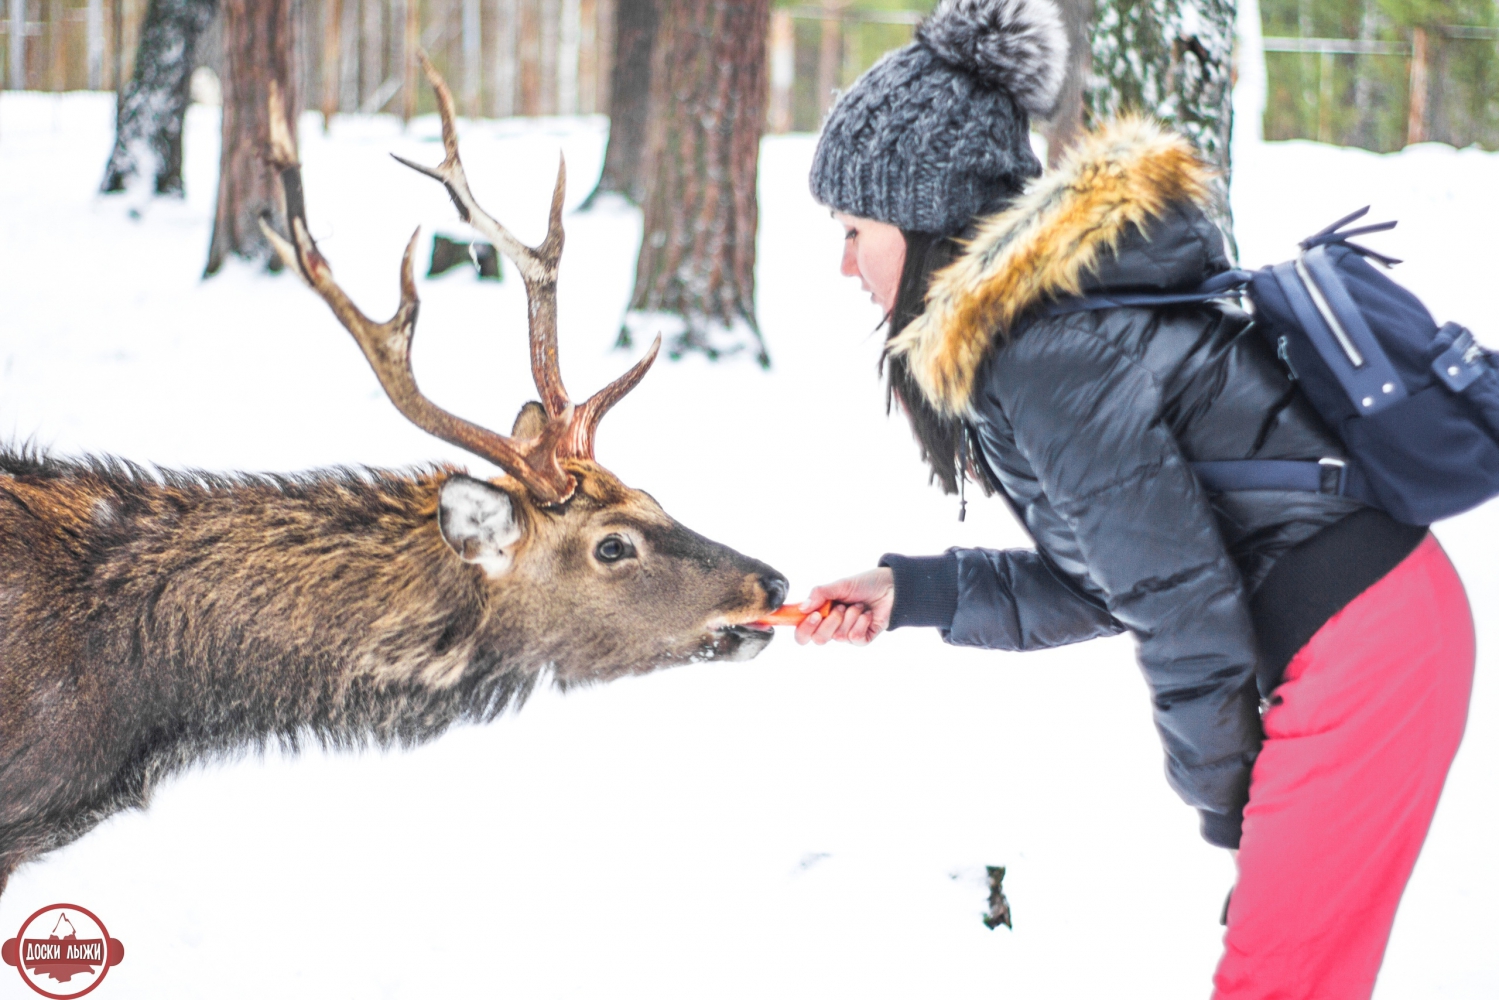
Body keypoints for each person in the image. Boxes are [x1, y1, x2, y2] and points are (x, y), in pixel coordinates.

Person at [796, 1, 1476, 998]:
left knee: (1277, 982)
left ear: (922, 212)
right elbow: (1115, 574)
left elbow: (1175, 603)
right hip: (1374, 636)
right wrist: (916, 592)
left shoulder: (1040, 349)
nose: (843, 261)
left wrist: (1230, 795)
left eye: (855, 229)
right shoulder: (1037, 332)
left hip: (1362, 654)